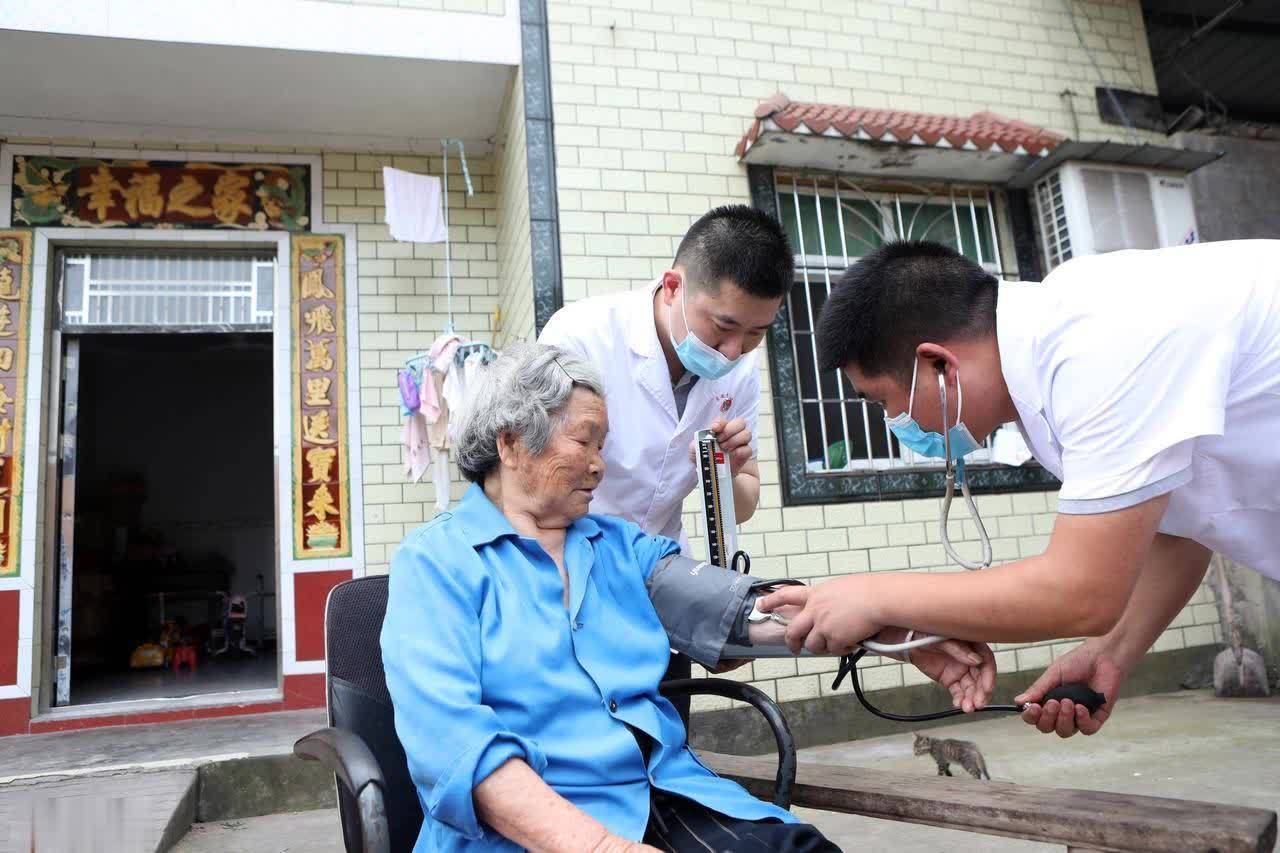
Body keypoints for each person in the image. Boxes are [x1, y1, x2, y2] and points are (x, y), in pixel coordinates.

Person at [759, 239, 1280, 738]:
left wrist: (873, 597)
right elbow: (1179, 523)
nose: (895, 420)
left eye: (883, 401)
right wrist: (1112, 651)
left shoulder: (1098, 345)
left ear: (939, 364)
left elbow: (1082, 592)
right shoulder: (1048, 374)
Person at [381, 343, 848, 852]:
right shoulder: (436, 561)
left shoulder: (619, 546)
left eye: (602, 447)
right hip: (531, 826)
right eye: (585, 441)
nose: (599, 466)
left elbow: (729, 608)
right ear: (512, 444)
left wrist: (859, 620)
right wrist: (603, 846)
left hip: (660, 792)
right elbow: (450, 741)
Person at [538, 204, 794, 716]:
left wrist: (728, 473)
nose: (733, 351)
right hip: (568, 579)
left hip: (660, 585)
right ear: (673, 286)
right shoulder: (581, 337)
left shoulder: (740, 373)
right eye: (722, 326)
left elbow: (743, 504)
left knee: (665, 738)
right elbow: (538, 481)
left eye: (756, 333)